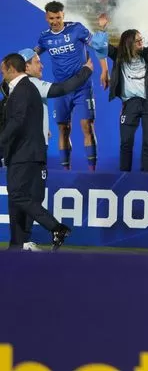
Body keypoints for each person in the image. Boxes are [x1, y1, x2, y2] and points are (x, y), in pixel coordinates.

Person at [13, 49, 92, 250]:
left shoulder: (23, 86)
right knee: (27, 196)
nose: (42, 65)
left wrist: (40, 128)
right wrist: (86, 71)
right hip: (29, 151)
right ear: (26, 67)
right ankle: (42, 233)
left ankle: (22, 242)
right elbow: (61, 89)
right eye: (37, 62)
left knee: (32, 196)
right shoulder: (32, 83)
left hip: (32, 147)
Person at [0, 53, 70, 249]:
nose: (1, 72)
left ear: (11, 68)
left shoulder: (23, 89)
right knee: (16, 204)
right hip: (23, 153)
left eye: (3, 68)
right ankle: (16, 247)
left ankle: (56, 227)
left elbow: (17, 122)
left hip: (25, 154)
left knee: (17, 195)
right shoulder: (24, 89)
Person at [36, 1, 108, 171]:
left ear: (63, 15)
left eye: (58, 17)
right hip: (61, 89)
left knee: (87, 126)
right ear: (47, 17)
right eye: (52, 18)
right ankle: (65, 171)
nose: (55, 21)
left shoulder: (77, 29)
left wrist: (105, 70)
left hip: (82, 87)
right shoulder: (45, 37)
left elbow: (98, 45)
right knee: (63, 128)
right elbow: (33, 54)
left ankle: (92, 170)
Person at [101, 29, 148, 172]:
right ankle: (124, 176)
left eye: (142, 39)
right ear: (129, 43)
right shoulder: (118, 55)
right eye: (138, 41)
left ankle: (146, 178)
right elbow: (100, 45)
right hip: (130, 104)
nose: (142, 42)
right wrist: (103, 29)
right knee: (126, 143)